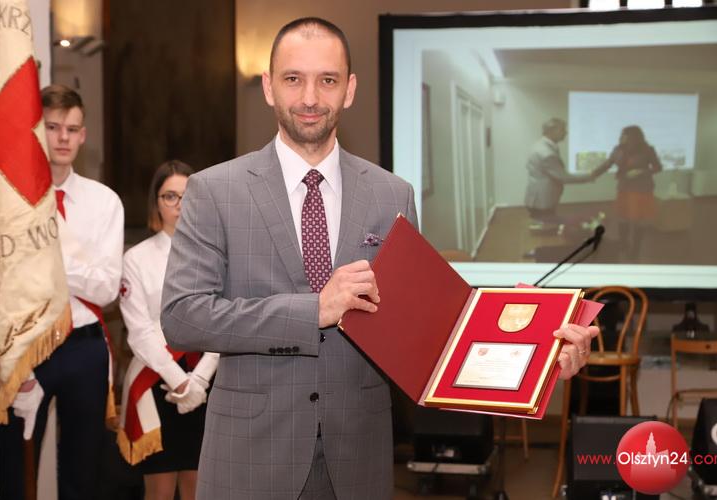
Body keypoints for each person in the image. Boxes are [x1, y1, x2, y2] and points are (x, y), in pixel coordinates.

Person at [161, 17, 597, 500]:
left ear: (349, 90)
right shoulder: (214, 190)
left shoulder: (393, 195)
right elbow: (183, 317)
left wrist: (536, 357)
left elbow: (426, 333)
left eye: (327, 80)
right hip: (250, 459)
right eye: (293, 79)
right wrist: (313, 310)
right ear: (268, 87)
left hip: (358, 460)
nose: (310, 97)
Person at [0, 84, 124, 500]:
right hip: (23, 343)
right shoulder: (7, 201)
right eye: (53, 127)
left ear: (83, 135)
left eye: (72, 129)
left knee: (81, 476)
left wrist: (46, 255)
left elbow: (106, 288)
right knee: (15, 475)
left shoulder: (104, 202)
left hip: (83, 346)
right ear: (37, 131)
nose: (63, 138)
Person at [118, 160, 219, 500]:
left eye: (187, 196)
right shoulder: (137, 258)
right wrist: (179, 380)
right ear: (156, 202)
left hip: (207, 380)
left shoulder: (216, 254)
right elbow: (139, 330)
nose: (179, 204)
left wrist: (200, 379)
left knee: (199, 488)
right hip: (159, 379)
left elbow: (224, 317)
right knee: (160, 491)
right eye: (170, 196)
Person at [594, 125, 662, 259]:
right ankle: (623, 244)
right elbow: (607, 164)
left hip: (641, 189)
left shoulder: (647, 150)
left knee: (638, 220)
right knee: (622, 217)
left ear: (634, 137)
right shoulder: (618, 149)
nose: (621, 137)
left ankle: (636, 249)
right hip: (624, 188)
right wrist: (593, 174)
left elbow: (658, 167)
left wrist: (641, 171)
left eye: (624, 135)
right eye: (621, 134)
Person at [524, 118, 601, 223]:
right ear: (552, 130)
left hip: (538, 197)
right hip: (543, 200)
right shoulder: (546, 153)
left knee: (544, 225)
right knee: (549, 226)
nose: (566, 132)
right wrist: (589, 176)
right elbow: (564, 177)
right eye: (563, 129)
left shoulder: (539, 145)